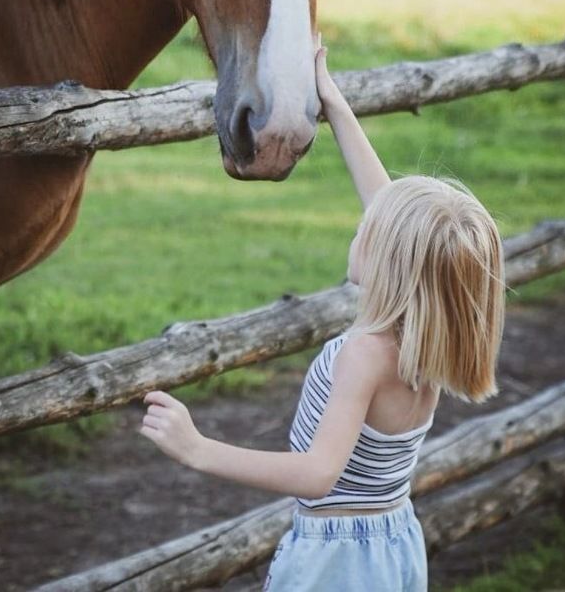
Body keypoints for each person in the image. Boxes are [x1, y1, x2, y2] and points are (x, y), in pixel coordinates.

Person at [139, 40, 505, 591]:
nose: (360, 226)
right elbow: (396, 220)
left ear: (389, 262)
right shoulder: (425, 336)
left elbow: (317, 474)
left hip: (337, 561)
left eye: (366, 230)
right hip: (391, 539)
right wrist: (333, 104)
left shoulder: (368, 353)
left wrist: (199, 449)